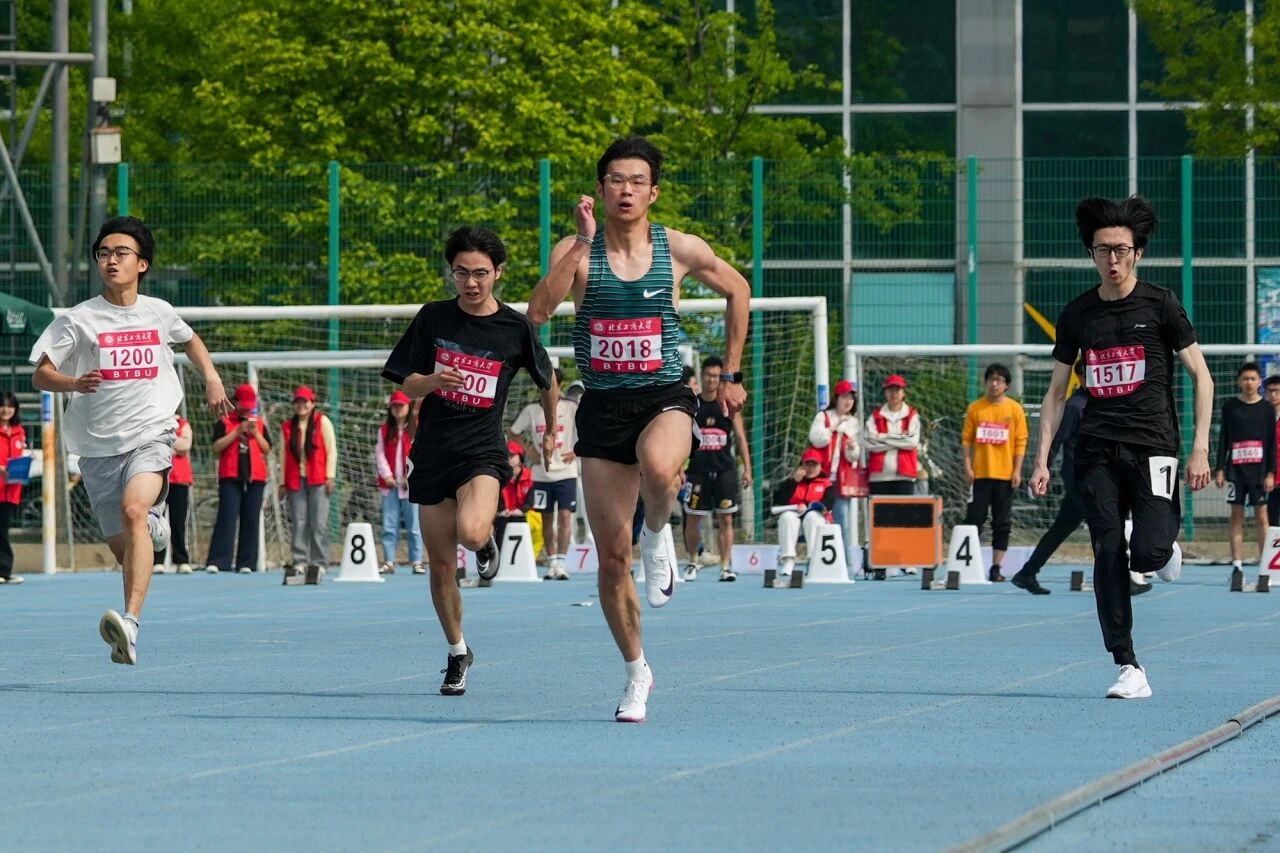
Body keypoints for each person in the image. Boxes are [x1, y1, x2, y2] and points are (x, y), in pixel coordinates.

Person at [528, 136, 749, 723]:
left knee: (659, 466)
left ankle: (657, 534)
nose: (625, 190)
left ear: (653, 192)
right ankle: (636, 672)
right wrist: (580, 242)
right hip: (602, 404)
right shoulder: (577, 249)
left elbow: (739, 290)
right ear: (600, 189)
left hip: (663, 395)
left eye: (636, 182)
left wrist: (730, 373)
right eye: (615, 180)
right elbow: (538, 313)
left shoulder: (679, 247)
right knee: (609, 560)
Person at [1031, 195, 1213, 700]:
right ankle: (1128, 665)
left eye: (1121, 250)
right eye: (1102, 250)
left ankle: (1163, 547)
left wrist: (1200, 448)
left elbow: (1202, 376)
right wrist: (1041, 458)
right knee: (1108, 550)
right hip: (1096, 449)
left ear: (1138, 253)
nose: (1112, 259)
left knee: (1149, 553)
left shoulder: (1160, 304)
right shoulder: (1078, 314)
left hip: (1154, 446)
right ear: (1090, 254)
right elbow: (1056, 393)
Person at [30, 215, 231, 665]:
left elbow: (191, 341)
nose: (111, 260)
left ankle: (131, 623)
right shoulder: (78, 319)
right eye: (103, 253)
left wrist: (212, 378)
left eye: (121, 253)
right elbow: (40, 374)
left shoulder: (158, 311)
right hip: (97, 447)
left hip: (150, 433)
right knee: (128, 550)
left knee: (134, 509)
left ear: (142, 264)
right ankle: (156, 531)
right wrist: (73, 382)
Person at [382, 225, 555, 696]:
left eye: (480, 273)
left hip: (482, 451)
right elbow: (405, 382)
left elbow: (547, 379)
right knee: (441, 566)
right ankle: (458, 651)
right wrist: (432, 381)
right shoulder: (433, 318)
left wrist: (552, 430)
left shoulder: (515, 328)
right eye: (461, 273)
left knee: (473, 532)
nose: (471, 282)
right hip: (433, 453)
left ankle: (485, 543)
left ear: (498, 272)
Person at [1012, 362, 1087, 595]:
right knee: (1103, 525)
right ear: (1080, 376)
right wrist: (1043, 466)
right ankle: (1120, 578)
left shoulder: (1099, 404)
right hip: (1078, 478)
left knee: (1061, 528)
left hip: (1091, 476)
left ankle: (1027, 572)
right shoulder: (1075, 406)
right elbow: (1056, 439)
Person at [682, 356, 752, 582]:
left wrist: (747, 468)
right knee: (692, 518)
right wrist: (678, 467)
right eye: (708, 375)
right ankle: (693, 561)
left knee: (726, 519)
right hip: (697, 470)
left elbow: (740, 438)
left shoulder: (728, 404)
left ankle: (725, 565)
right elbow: (681, 438)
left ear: (721, 378)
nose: (712, 380)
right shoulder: (692, 405)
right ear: (702, 376)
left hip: (724, 470)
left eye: (716, 376)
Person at [510, 367, 579, 580]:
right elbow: (514, 432)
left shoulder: (570, 407)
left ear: (560, 386)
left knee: (565, 517)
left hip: (566, 473)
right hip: (542, 474)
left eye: (553, 384)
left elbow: (589, 429)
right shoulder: (532, 410)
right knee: (546, 518)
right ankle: (552, 561)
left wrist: (576, 451)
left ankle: (562, 562)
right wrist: (530, 451)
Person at [962, 363, 1028, 583]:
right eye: (991, 379)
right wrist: (967, 466)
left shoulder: (1014, 409)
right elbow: (966, 440)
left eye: (999, 380)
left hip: (1005, 476)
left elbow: (1020, 442)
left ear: (1006, 385)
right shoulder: (976, 408)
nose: (994, 384)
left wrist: (1017, 470)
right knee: (975, 519)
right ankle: (969, 564)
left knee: (1002, 522)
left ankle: (996, 566)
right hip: (980, 475)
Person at [1213, 361, 1276, 579]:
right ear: (1239, 381)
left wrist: (1271, 473)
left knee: (1262, 517)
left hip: (1260, 472)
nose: (1249, 382)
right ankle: (1237, 566)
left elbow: (1271, 442)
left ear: (1259, 382)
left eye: (1253, 379)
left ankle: (1265, 565)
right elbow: (1224, 439)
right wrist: (1220, 469)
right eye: (1245, 379)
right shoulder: (1230, 407)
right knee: (1236, 517)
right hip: (1236, 472)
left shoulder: (1267, 409)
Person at [207, 383, 270, 575]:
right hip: (230, 475)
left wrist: (255, 433)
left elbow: (267, 449)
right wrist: (237, 432)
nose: (246, 409)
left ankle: (247, 561)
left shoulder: (259, 423)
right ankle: (219, 560)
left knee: (251, 519)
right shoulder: (225, 421)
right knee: (227, 517)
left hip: (255, 477)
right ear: (235, 402)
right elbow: (216, 447)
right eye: (243, 405)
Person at [280, 385, 337, 580]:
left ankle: (319, 562)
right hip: (295, 480)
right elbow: (283, 456)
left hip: (318, 479)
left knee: (319, 522)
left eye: (305, 401)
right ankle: (300, 561)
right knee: (299, 522)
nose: (301, 405)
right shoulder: (287, 426)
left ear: (312, 404)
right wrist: (282, 483)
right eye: (297, 402)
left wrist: (330, 476)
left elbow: (331, 450)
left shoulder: (323, 422)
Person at [807, 378, 862, 573]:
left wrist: (852, 448)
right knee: (815, 517)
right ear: (836, 398)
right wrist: (833, 428)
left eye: (851, 398)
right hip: (821, 477)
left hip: (841, 478)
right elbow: (816, 439)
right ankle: (814, 559)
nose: (848, 401)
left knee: (842, 519)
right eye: (844, 397)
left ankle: (844, 562)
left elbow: (854, 456)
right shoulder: (823, 417)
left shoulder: (854, 423)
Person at [376, 389, 425, 575]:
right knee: (389, 524)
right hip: (389, 486)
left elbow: (420, 454)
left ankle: (417, 560)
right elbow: (379, 454)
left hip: (410, 487)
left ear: (408, 407)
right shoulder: (384, 430)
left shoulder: (416, 429)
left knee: (414, 526)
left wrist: (410, 477)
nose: (397, 409)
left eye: (401, 405)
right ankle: (389, 560)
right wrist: (387, 476)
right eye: (394, 406)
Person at [772, 447, 835, 578]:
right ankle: (788, 559)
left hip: (817, 519)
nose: (810, 468)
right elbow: (780, 500)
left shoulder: (826, 484)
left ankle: (813, 560)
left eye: (814, 464)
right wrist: (793, 482)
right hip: (796, 518)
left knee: (812, 517)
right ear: (801, 466)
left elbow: (828, 504)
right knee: (787, 517)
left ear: (821, 467)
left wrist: (809, 507)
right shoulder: (792, 482)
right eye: (807, 464)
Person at [863, 374, 920, 497]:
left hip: (905, 476)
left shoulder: (912, 415)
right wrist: (900, 439)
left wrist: (882, 437)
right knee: (879, 511)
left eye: (897, 390)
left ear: (904, 393)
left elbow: (912, 442)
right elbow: (869, 443)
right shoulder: (875, 416)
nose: (894, 393)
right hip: (878, 477)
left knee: (903, 510)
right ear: (885, 392)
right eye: (890, 390)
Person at [152, 414, 194, 574]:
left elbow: (185, 445)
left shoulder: (183, 424)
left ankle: (181, 560)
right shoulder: (154, 421)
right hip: (158, 478)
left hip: (179, 479)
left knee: (179, 522)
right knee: (155, 520)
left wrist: (165, 440)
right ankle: (157, 561)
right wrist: (175, 445)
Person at [0, 391, 27, 585]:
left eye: (10, 406)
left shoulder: (19, 431)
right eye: (2, 405)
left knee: (3, 530)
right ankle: (4, 570)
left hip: (11, 490)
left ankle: (5, 571)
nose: (5, 410)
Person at [496, 439, 535, 547]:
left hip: (526, 515)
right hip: (505, 516)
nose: (508, 458)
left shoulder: (531, 476)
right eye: (506, 455)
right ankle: (499, 553)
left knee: (533, 519)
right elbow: (497, 501)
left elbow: (531, 502)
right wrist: (503, 510)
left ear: (520, 457)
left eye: (512, 455)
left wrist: (520, 511)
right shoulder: (499, 478)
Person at [1266, 375, 1280, 527]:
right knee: (1271, 521)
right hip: (1270, 478)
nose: (1273, 395)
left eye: (1277, 391)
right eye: (1270, 391)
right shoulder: (1262, 416)